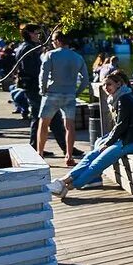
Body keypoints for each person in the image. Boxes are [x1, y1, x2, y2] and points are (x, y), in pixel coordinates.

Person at [48, 70, 133, 198]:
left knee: (98, 162)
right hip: (125, 136)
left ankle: (67, 186)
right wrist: (107, 141)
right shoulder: (120, 96)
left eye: (109, 84)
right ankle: (62, 182)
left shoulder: (125, 99)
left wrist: (108, 143)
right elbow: (121, 126)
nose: (106, 88)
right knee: (93, 153)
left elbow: (122, 125)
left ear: (119, 84)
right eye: (104, 85)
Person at [14, 24, 68, 155]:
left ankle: (37, 148)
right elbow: (33, 70)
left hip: (33, 87)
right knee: (51, 116)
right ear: (30, 34)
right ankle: (64, 148)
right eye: (37, 33)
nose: (39, 36)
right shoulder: (28, 49)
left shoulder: (28, 48)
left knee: (40, 118)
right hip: (34, 88)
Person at [36, 30, 87, 164]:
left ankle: (40, 153)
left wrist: (43, 89)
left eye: (53, 41)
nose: (52, 44)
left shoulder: (50, 55)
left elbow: (43, 75)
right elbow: (85, 80)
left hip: (52, 93)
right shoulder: (77, 57)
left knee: (43, 124)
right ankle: (69, 156)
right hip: (69, 94)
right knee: (69, 126)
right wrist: (77, 92)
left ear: (58, 41)